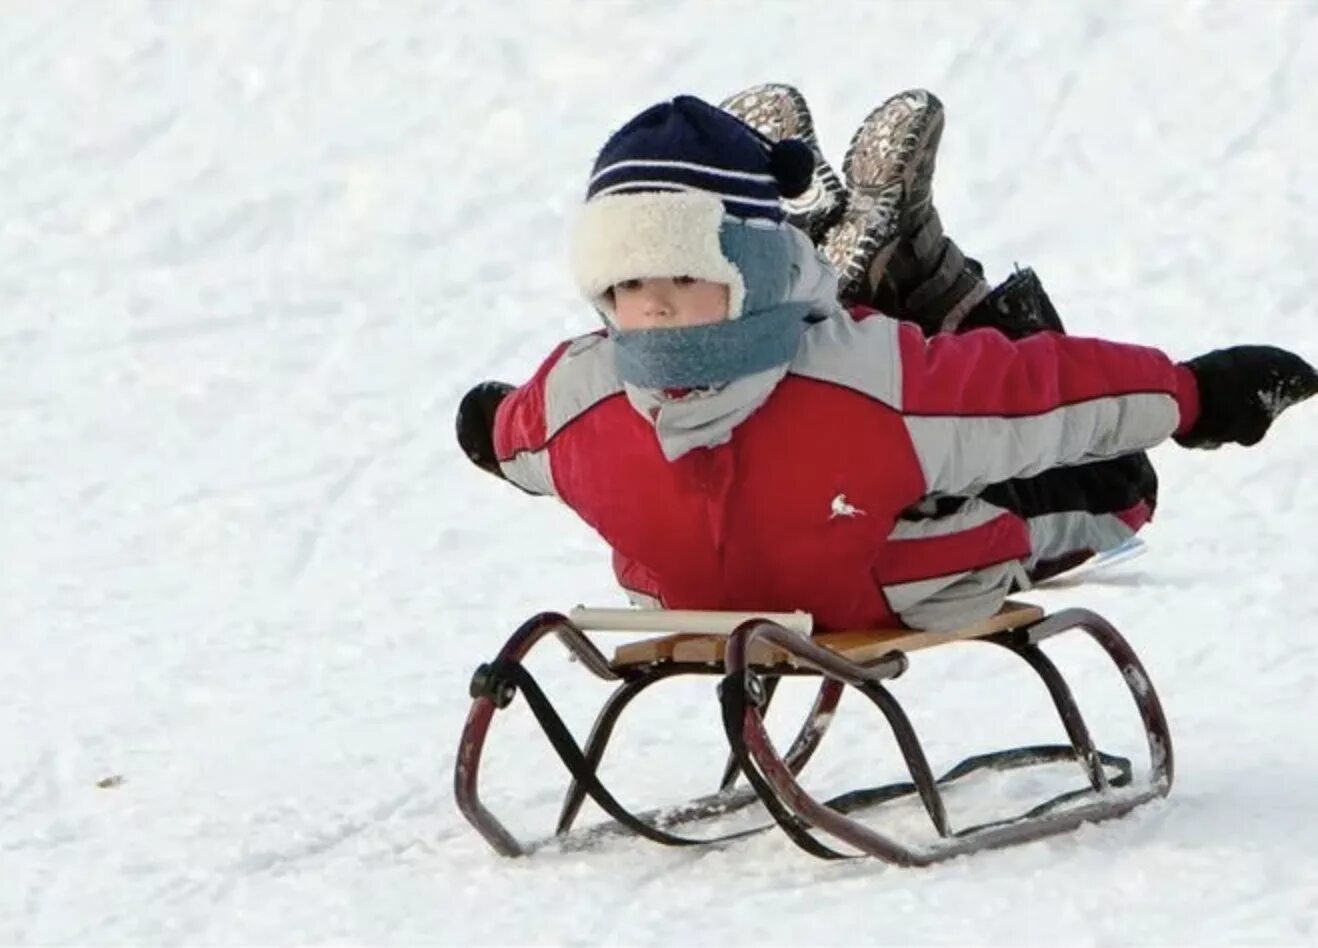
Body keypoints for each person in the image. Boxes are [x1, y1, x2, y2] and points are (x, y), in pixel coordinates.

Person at [456, 89, 1317, 632]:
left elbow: (1040, 399)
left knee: (1076, 471)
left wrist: (1194, 394)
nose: (657, 305)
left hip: (795, 566)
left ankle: (857, 266)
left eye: (689, 273)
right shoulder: (863, 384)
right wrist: (1197, 398)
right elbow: (511, 435)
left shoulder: (575, 398)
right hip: (887, 577)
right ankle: (906, 271)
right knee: (1113, 496)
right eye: (631, 281)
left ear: (747, 270)